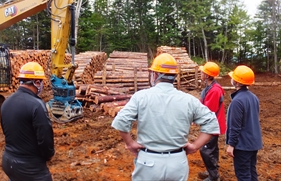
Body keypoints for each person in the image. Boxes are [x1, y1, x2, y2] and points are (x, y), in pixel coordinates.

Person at [111, 53, 220, 181]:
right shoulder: (188, 100)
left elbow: (121, 121)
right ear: (174, 76)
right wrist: (195, 146)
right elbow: (212, 123)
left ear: (155, 75)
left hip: (148, 161)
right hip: (177, 162)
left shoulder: (141, 97)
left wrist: (130, 143)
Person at [0, 62, 55, 181]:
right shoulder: (37, 105)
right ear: (36, 82)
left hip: (9, 162)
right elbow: (45, 136)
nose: (42, 85)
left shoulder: (6, 103)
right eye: (41, 81)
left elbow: (6, 131)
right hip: (30, 168)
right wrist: (49, 154)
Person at [226, 65, 262, 181]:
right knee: (251, 172)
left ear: (236, 82)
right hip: (253, 143)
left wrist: (231, 145)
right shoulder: (254, 97)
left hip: (242, 145)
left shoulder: (237, 101)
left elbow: (235, 126)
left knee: (243, 175)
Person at [198, 62, 226, 181]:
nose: (201, 73)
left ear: (208, 76)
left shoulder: (214, 90)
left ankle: (213, 176)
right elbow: (203, 103)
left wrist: (197, 118)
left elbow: (209, 110)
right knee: (212, 148)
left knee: (206, 150)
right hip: (213, 124)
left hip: (213, 125)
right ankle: (212, 171)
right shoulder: (210, 87)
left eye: (203, 72)